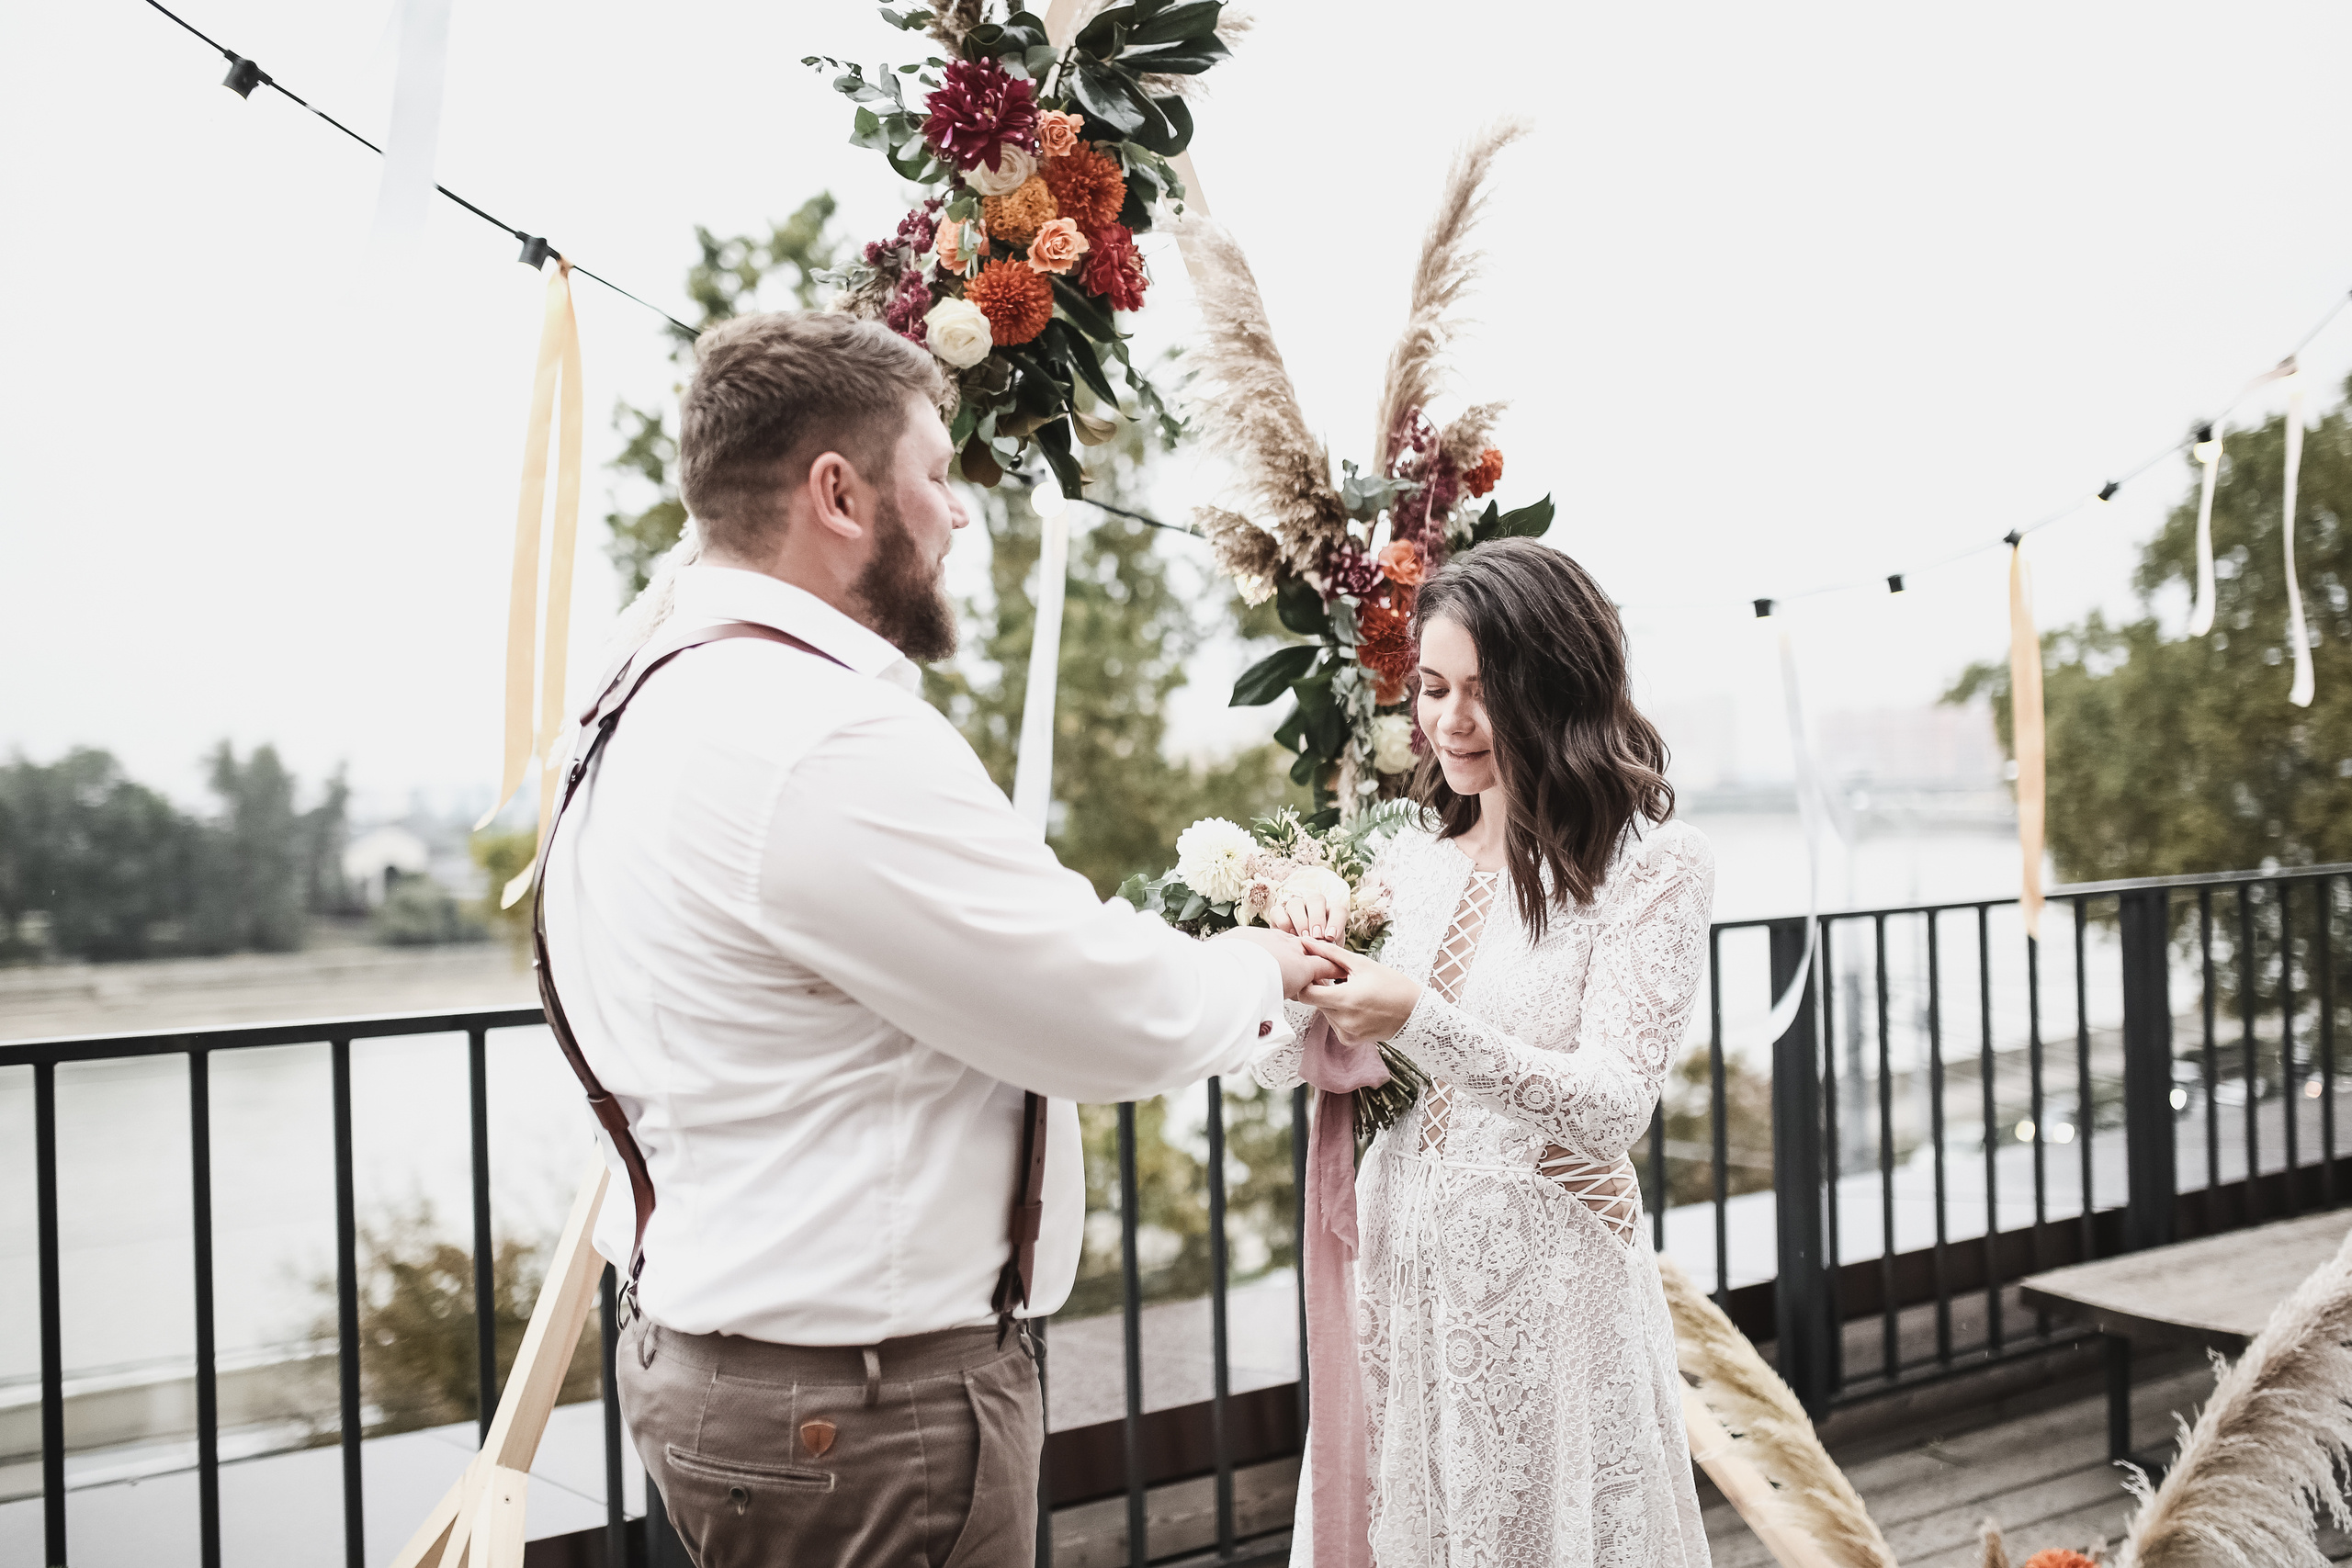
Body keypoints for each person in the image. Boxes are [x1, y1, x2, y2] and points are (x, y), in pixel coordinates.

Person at [537, 311, 1337, 1568]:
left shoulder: (637, 695)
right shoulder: (818, 736)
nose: (960, 514)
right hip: (863, 1418)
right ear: (839, 494)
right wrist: (1261, 971)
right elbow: (1093, 1007)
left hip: (709, 1369)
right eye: (938, 472)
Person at [1254, 538, 1715, 1567]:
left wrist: (1413, 1013)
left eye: (1482, 690)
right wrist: (1284, 955)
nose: (1449, 721)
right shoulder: (1398, 860)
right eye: (1431, 687)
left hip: (1547, 1294)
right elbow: (1280, 1067)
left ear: (1555, 686)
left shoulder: (1652, 869)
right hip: (1400, 1286)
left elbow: (1610, 1108)